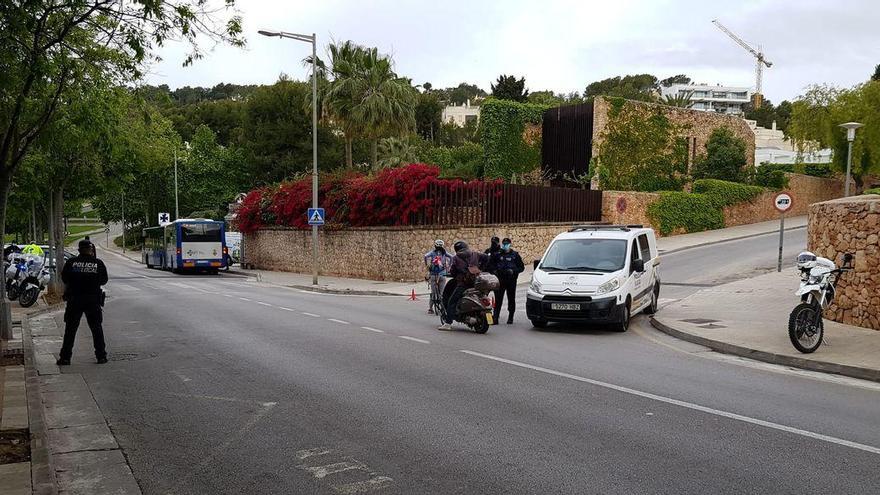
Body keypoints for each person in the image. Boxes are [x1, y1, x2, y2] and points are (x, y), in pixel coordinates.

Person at [57, 240, 109, 365]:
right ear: (91, 250)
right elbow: (104, 280)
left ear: (79, 250)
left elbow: (64, 278)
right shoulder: (98, 263)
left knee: (70, 329)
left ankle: (65, 357)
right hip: (93, 300)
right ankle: (101, 356)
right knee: (96, 329)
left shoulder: (71, 262)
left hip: (74, 300)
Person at [439, 241, 489, 330]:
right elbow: (487, 258)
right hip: (477, 283)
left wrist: (457, 274)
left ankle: (448, 323)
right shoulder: (475, 254)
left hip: (464, 284)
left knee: (451, 301)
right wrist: (481, 268)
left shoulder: (456, 258)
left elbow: (453, 271)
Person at [490, 238, 525, 325]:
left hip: (511, 281)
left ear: (510, 244)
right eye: (504, 244)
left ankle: (510, 317)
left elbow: (521, 267)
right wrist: (494, 271)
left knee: (511, 299)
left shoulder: (515, 255)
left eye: (507, 244)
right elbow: (491, 264)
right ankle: (495, 318)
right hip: (500, 280)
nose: (505, 245)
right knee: (498, 300)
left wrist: (514, 271)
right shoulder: (498, 254)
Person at [424, 240, 453, 314]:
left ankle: (430, 308)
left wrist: (427, 265)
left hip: (433, 274)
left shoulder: (432, 252)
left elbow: (425, 256)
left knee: (433, 292)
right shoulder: (444, 253)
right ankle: (443, 307)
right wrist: (449, 266)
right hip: (442, 274)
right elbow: (451, 257)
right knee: (442, 292)